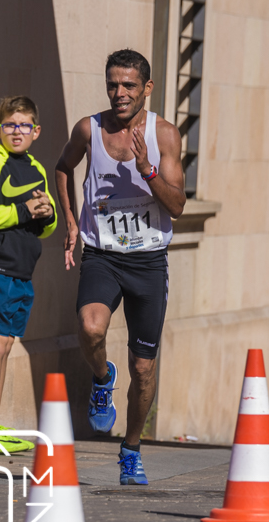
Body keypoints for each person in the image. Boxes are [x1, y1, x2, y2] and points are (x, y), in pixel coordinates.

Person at [54, 49, 186, 485]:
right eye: (113, 84)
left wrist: (147, 169)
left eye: (129, 85)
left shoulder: (164, 135)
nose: (119, 93)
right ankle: (100, 375)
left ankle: (131, 448)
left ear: (147, 88)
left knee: (144, 368)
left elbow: (178, 205)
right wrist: (71, 221)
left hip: (147, 260)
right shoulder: (88, 129)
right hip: (103, 254)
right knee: (91, 328)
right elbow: (62, 167)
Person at [0, 96, 57, 454]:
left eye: (24, 125)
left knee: (4, 345)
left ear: (36, 131)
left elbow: (46, 227)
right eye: (10, 125)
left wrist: (46, 215)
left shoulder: (35, 167)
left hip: (20, 267)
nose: (17, 132)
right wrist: (23, 210)